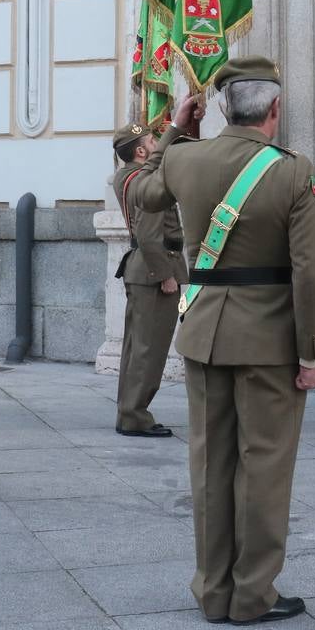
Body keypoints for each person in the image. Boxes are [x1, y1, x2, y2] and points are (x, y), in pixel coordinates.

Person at [130, 56, 315, 626]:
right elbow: (309, 273)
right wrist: (311, 352)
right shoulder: (292, 170)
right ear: (275, 108)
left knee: (209, 465)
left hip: (204, 332)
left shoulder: (187, 159)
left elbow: (141, 190)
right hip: (268, 340)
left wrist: (174, 132)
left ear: (219, 106)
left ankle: (212, 592)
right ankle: (252, 596)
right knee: (262, 467)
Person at [110, 122, 187, 437]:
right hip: (154, 269)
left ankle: (129, 410)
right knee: (149, 348)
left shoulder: (125, 176)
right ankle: (135, 415)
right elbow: (148, 232)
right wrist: (165, 275)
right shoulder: (145, 180)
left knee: (137, 346)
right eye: (153, 139)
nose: (158, 142)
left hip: (143, 267)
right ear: (141, 151)